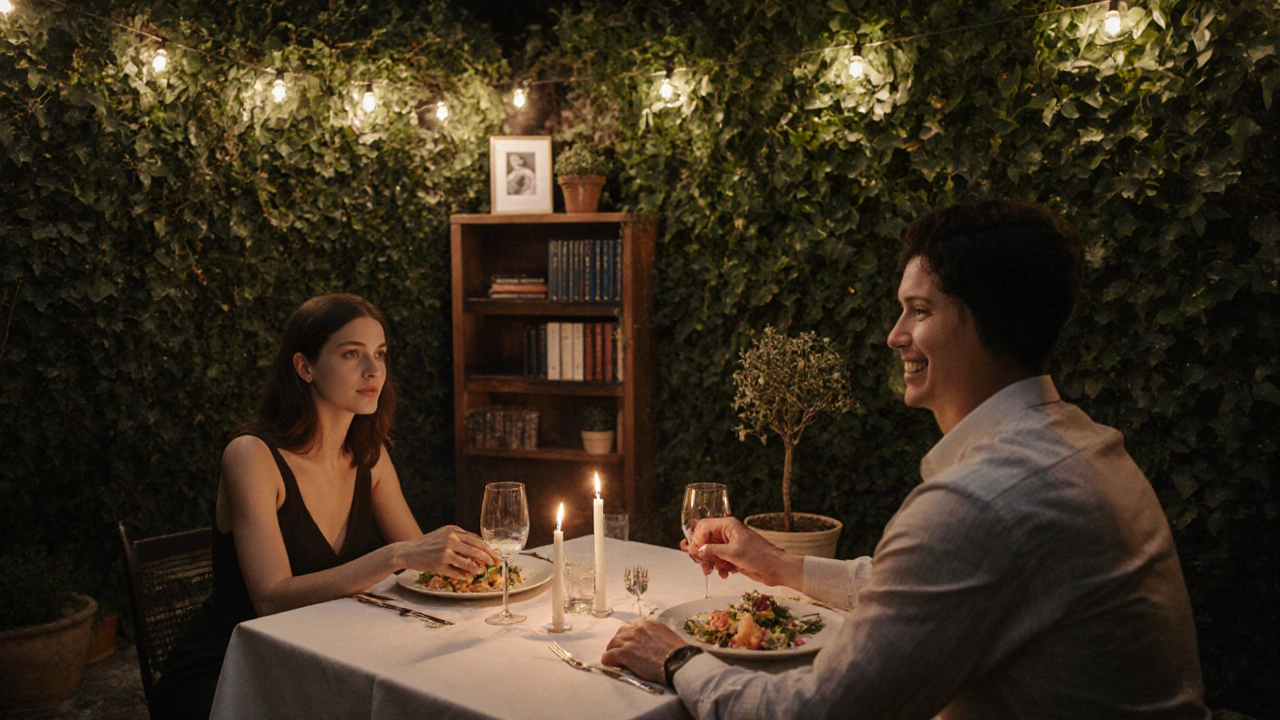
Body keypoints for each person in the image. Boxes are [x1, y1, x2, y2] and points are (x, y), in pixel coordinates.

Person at [602, 200, 1209, 719]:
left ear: (981, 321)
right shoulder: (1081, 443)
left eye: (919, 311)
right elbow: (910, 589)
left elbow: (816, 712)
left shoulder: (983, 499)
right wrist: (774, 564)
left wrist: (678, 657)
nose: (895, 335)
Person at [150, 294, 498, 720]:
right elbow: (272, 600)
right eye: (352, 354)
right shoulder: (251, 456)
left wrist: (480, 568)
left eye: (380, 354)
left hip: (324, 657)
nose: (373, 370)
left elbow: (420, 567)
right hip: (233, 673)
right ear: (305, 366)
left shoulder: (369, 455)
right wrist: (397, 555)